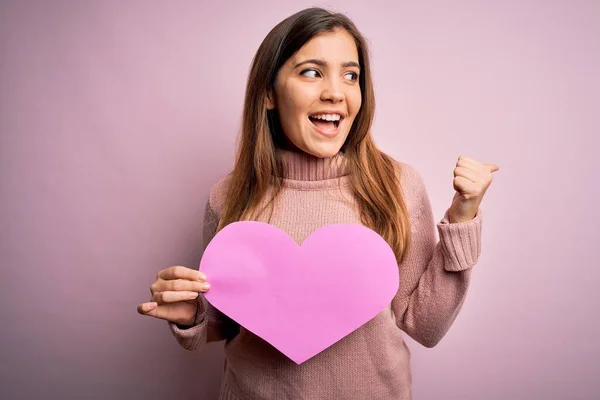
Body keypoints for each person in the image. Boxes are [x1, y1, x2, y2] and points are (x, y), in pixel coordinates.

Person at [137, 7, 498, 400]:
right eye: (311, 72)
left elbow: (425, 326)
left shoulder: (397, 186)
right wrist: (191, 315)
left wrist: (462, 218)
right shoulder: (227, 196)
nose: (335, 92)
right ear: (270, 94)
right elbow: (225, 321)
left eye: (351, 75)